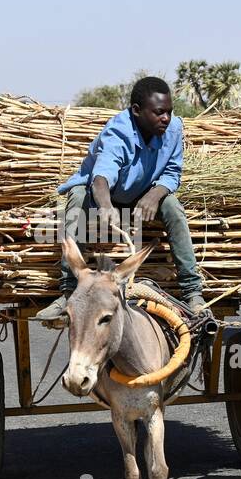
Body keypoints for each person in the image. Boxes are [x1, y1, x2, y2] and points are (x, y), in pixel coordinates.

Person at [35, 77, 204, 321]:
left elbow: (172, 172)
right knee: (77, 198)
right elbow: (101, 177)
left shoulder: (174, 129)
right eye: (159, 113)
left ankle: (192, 292)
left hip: (143, 193)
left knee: (173, 207)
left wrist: (154, 195)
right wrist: (105, 206)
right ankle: (69, 292)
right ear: (137, 111)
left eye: (169, 111)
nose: (165, 118)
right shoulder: (118, 133)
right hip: (102, 194)